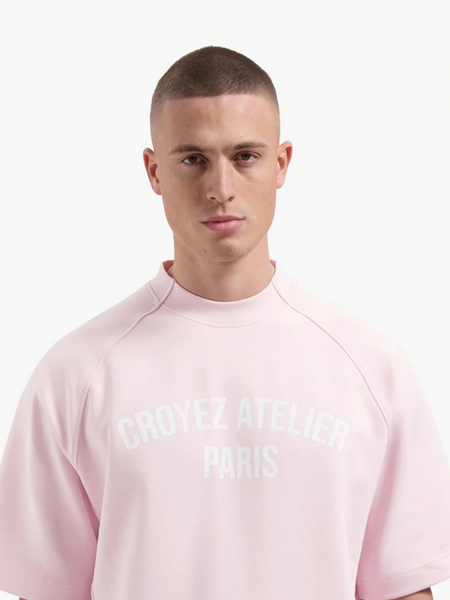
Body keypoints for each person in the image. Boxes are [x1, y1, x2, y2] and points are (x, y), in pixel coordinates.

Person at [0, 45, 448, 600]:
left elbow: (402, 588)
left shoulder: (371, 368)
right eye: (193, 159)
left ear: (281, 163)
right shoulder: (75, 376)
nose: (220, 188)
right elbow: (49, 591)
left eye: (245, 156)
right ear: (154, 171)